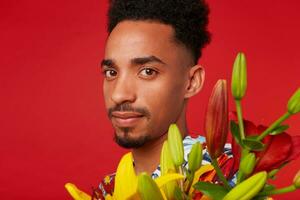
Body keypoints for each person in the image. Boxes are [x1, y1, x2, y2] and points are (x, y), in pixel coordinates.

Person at [92, 0, 233, 199]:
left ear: (191, 82)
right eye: (111, 72)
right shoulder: (109, 189)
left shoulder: (223, 175)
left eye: (147, 71)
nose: (119, 94)